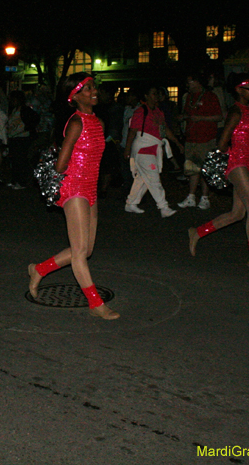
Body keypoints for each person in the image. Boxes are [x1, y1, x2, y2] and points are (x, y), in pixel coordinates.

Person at [27, 73, 119, 320]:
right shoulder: (76, 123)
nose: (94, 91)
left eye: (93, 87)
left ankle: (39, 269)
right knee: (79, 252)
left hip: (90, 188)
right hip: (75, 187)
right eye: (87, 89)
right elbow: (60, 165)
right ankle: (96, 303)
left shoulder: (98, 122)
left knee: (86, 250)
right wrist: (72, 173)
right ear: (74, 96)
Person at [188, 73, 249, 270]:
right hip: (237, 163)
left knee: (238, 213)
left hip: (246, 163)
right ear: (238, 90)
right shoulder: (236, 111)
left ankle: (198, 232)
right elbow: (222, 142)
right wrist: (224, 162)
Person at [123, 86, 183, 218]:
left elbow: (164, 129)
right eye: (154, 93)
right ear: (146, 96)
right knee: (153, 177)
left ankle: (131, 203)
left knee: (143, 178)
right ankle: (163, 206)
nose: (156, 96)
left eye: (157, 94)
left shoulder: (158, 112)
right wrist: (127, 149)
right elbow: (132, 131)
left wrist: (177, 143)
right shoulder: (140, 111)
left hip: (154, 148)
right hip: (143, 149)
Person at [177, 73, 222, 210]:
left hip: (206, 139)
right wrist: (183, 117)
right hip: (191, 138)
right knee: (192, 169)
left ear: (197, 82)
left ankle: (205, 198)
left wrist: (201, 118)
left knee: (205, 169)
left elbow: (219, 116)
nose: (188, 85)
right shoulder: (189, 97)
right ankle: (191, 197)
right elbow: (188, 114)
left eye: (190, 82)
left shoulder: (210, 96)